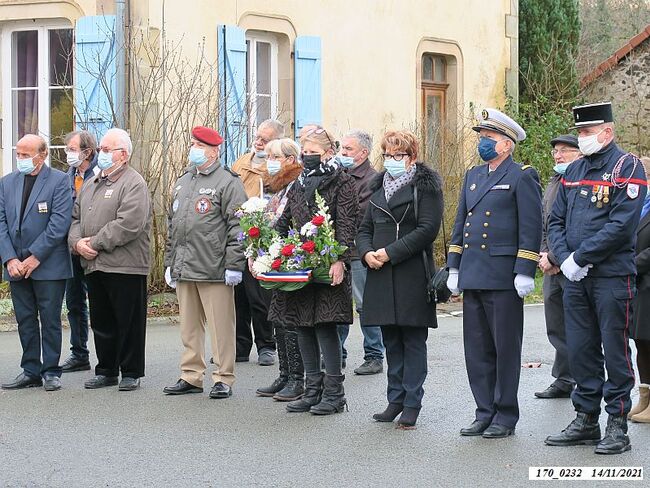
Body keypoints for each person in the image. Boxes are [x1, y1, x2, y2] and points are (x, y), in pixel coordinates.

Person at [546, 102, 647, 455]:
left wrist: (580, 257)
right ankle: (585, 418)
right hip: (575, 277)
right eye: (580, 133)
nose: (582, 138)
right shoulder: (573, 171)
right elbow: (555, 220)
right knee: (581, 348)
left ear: (608, 132)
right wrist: (563, 258)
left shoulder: (627, 167)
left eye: (588, 133)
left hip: (611, 277)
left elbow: (622, 227)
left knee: (614, 349)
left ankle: (617, 424)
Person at [447, 108, 542, 439]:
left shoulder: (522, 176)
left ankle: (505, 415)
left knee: (504, 349)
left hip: (503, 276)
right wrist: (454, 265)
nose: (482, 143)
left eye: (488, 139)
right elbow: (461, 222)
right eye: (482, 138)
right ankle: (483, 411)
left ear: (506, 144)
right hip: (473, 273)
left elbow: (531, 226)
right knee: (477, 349)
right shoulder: (473, 175)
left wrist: (525, 269)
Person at [267, 127, 359, 415]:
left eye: (312, 153)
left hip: (327, 263)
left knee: (325, 325)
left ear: (328, 153)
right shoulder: (299, 182)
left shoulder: (342, 182)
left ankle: (334, 394)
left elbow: (346, 223)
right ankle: (312, 389)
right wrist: (265, 249)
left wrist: (339, 260)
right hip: (302, 264)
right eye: (304, 152)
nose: (307, 157)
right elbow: (285, 220)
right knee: (302, 325)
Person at [357, 130, 443, 429]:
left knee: (413, 341)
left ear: (412, 157)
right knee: (391, 340)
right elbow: (364, 227)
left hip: (411, 273)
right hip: (380, 274)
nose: (392, 161)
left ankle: (411, 402)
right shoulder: (379, 186)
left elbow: (428, 229)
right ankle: (394, 399)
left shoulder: (426, 187)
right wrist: (367, 252)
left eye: (399, 155)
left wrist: (389, 253)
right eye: (388, 155)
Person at [163, 126, 247, 399]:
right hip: (185, 266)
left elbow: (239, 226)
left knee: (221, 327)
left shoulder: (228, 182)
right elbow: (172, 225)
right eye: (193, 144)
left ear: (213, 151)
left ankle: (224, 377)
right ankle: (191, 375)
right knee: (189, 327)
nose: (193, 150)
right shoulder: (183, 181)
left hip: (215, 267)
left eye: (199, 145)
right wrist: (169, 262)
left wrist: (235, 264)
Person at [68, 128, 151, 392]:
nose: (100, 153)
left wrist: (93, 242)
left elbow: (129, 224)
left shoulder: (133, 182)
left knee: (128, 320)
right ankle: (106, 369)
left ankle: (130, 371)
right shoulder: (92, 183)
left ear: (123, 155)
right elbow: (75, 219)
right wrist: (77, 243)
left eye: (106, 149)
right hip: (94, 264)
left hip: (125, 265)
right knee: (102, 320)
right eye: (101, 149)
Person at [0, 134, 73, 392]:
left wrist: (34, 257)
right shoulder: (7, 183)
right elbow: (1, 224)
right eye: (17, 153)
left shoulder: (60, 181)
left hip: (48, 265)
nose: (19, 158)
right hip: (15, 265)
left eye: (25, 154)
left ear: (41, 156)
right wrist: (9, 258)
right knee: (25, 319)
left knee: (50, 318)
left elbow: (59, 224)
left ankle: (51, 371)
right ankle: (30, 369)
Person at [254, 138, 305, 401]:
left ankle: (298, 378)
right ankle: (285, 374)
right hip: (275, 257)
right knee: (277, 317)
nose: (269, 162)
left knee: (290, 320)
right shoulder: (277, 188)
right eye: (267, 157)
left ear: (290, 160)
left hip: (291, 260)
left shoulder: (297, 185)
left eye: (275, 157)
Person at [232, 119, 284, 365]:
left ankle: (266, 344)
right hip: (238, 233)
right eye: (258, 136)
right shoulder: (241, 163)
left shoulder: (276, 166)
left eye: (266, 138)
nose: (259, 141)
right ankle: (240, 346)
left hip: (263, 236)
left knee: (260, 295)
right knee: (238, 295)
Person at [535, 135, 581, 399]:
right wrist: (544, 254)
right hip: (550, 264)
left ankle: (583, 380)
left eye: (564, 150)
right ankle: (564, 379)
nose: (557, 155)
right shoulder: (554, 182)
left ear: (580, 153)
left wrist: (556, 257)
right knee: (556, 325)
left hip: (573, 265)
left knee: (579, 326)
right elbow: (545, 222)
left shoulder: (581, 181)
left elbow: (575, 226)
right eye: (555, 151)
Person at [336, 130, 385, 376]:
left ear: (363, 153)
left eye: (348, 149)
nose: (342, 153)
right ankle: (337, 354)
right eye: (341, 148)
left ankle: (374, 355)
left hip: (357, 251)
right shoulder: (338, 175)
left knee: (365, 305)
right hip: (337, 252)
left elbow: (360, 215)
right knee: (338, 305)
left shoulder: (371, 179)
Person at [60, 130, 99, 373]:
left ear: (87, 151)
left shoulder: (101, 174)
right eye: (67, 149)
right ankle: (79, 353)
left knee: (100, 304)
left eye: (72, 149)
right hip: (72, 248)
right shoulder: (68, 176)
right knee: (74, 302)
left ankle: (110, 355)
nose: (68, 154)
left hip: (96, 248)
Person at [629, 156, 650, 423]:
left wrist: (630, 264)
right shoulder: (638, 205)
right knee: (641, 341)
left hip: (645, 276)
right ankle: (645, 396)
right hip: (638, 284)